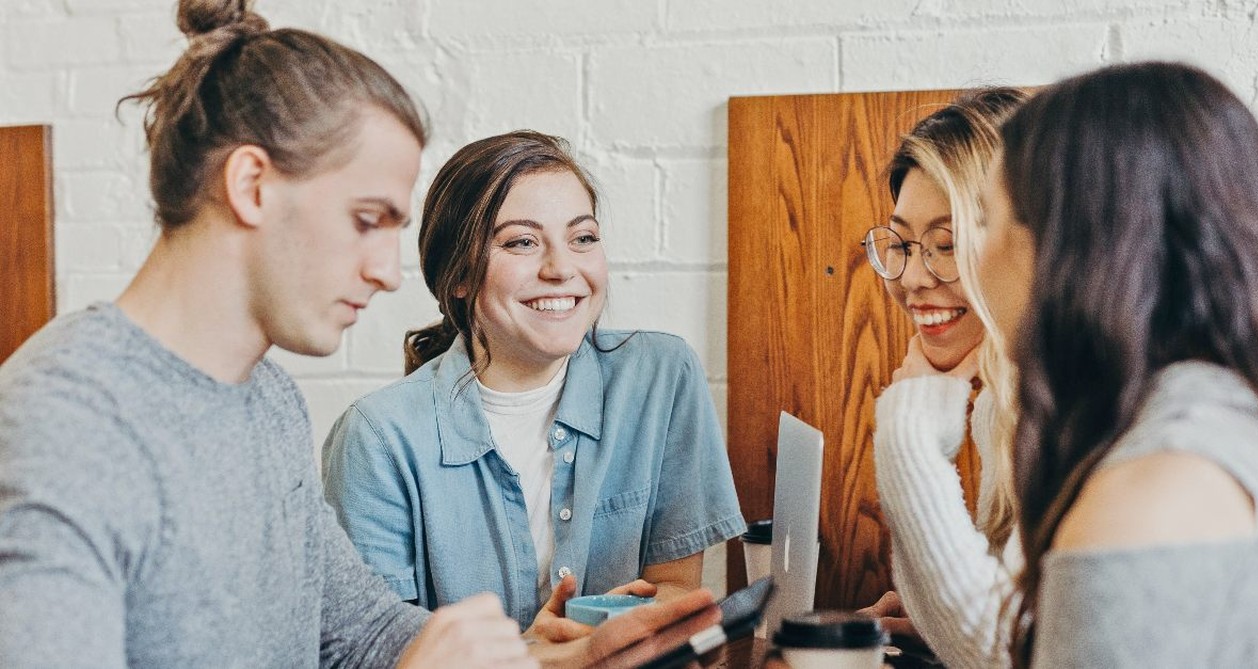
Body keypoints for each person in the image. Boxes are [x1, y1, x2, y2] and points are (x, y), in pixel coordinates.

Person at [0, 2, 719, 667]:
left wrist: (538, 656)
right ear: (251, 185)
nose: (385, 271)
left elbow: (363, 632)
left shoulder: (266, 400)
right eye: (366, 219)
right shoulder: (65, 423)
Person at [322, 130, 747, 632]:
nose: (562, 268)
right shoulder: (375, 439)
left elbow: (674, 588)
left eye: (582, 238)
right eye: (522, 242)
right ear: (457, 275)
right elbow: (375, 651)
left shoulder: (661, 377)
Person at [982, 61, 1258, 667]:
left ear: (1063, 247)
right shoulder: (1237, 417)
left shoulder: (1151, 494)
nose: (972, 258)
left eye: (986, 219)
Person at [857, 88, 1027, 669]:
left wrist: (908, 434)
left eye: (946, 245)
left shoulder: (1079, 407)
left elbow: (1006, 654)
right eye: (902, 244)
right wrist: (935, 618)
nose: (911, 278)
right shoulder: (1001, 402)